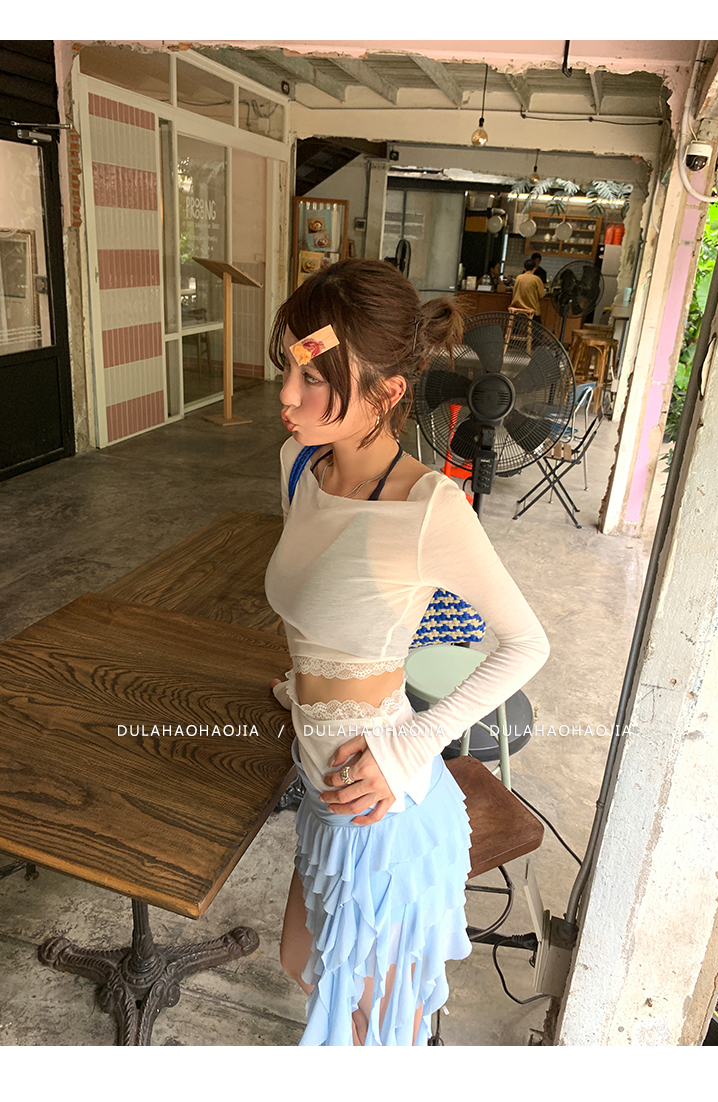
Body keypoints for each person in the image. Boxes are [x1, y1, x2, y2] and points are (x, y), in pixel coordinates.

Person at [263, 258, 550, 1047]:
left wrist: (410, 746)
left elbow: (527, 643)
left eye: (315, 377)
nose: (288, 395)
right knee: (302, 963)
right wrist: (306, 688)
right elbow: (324, 602)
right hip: (321, 784)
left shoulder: (429, 509)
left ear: (388, 394)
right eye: (288, 366)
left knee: (378, 1027)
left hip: (382, 803)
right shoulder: (299, 465)